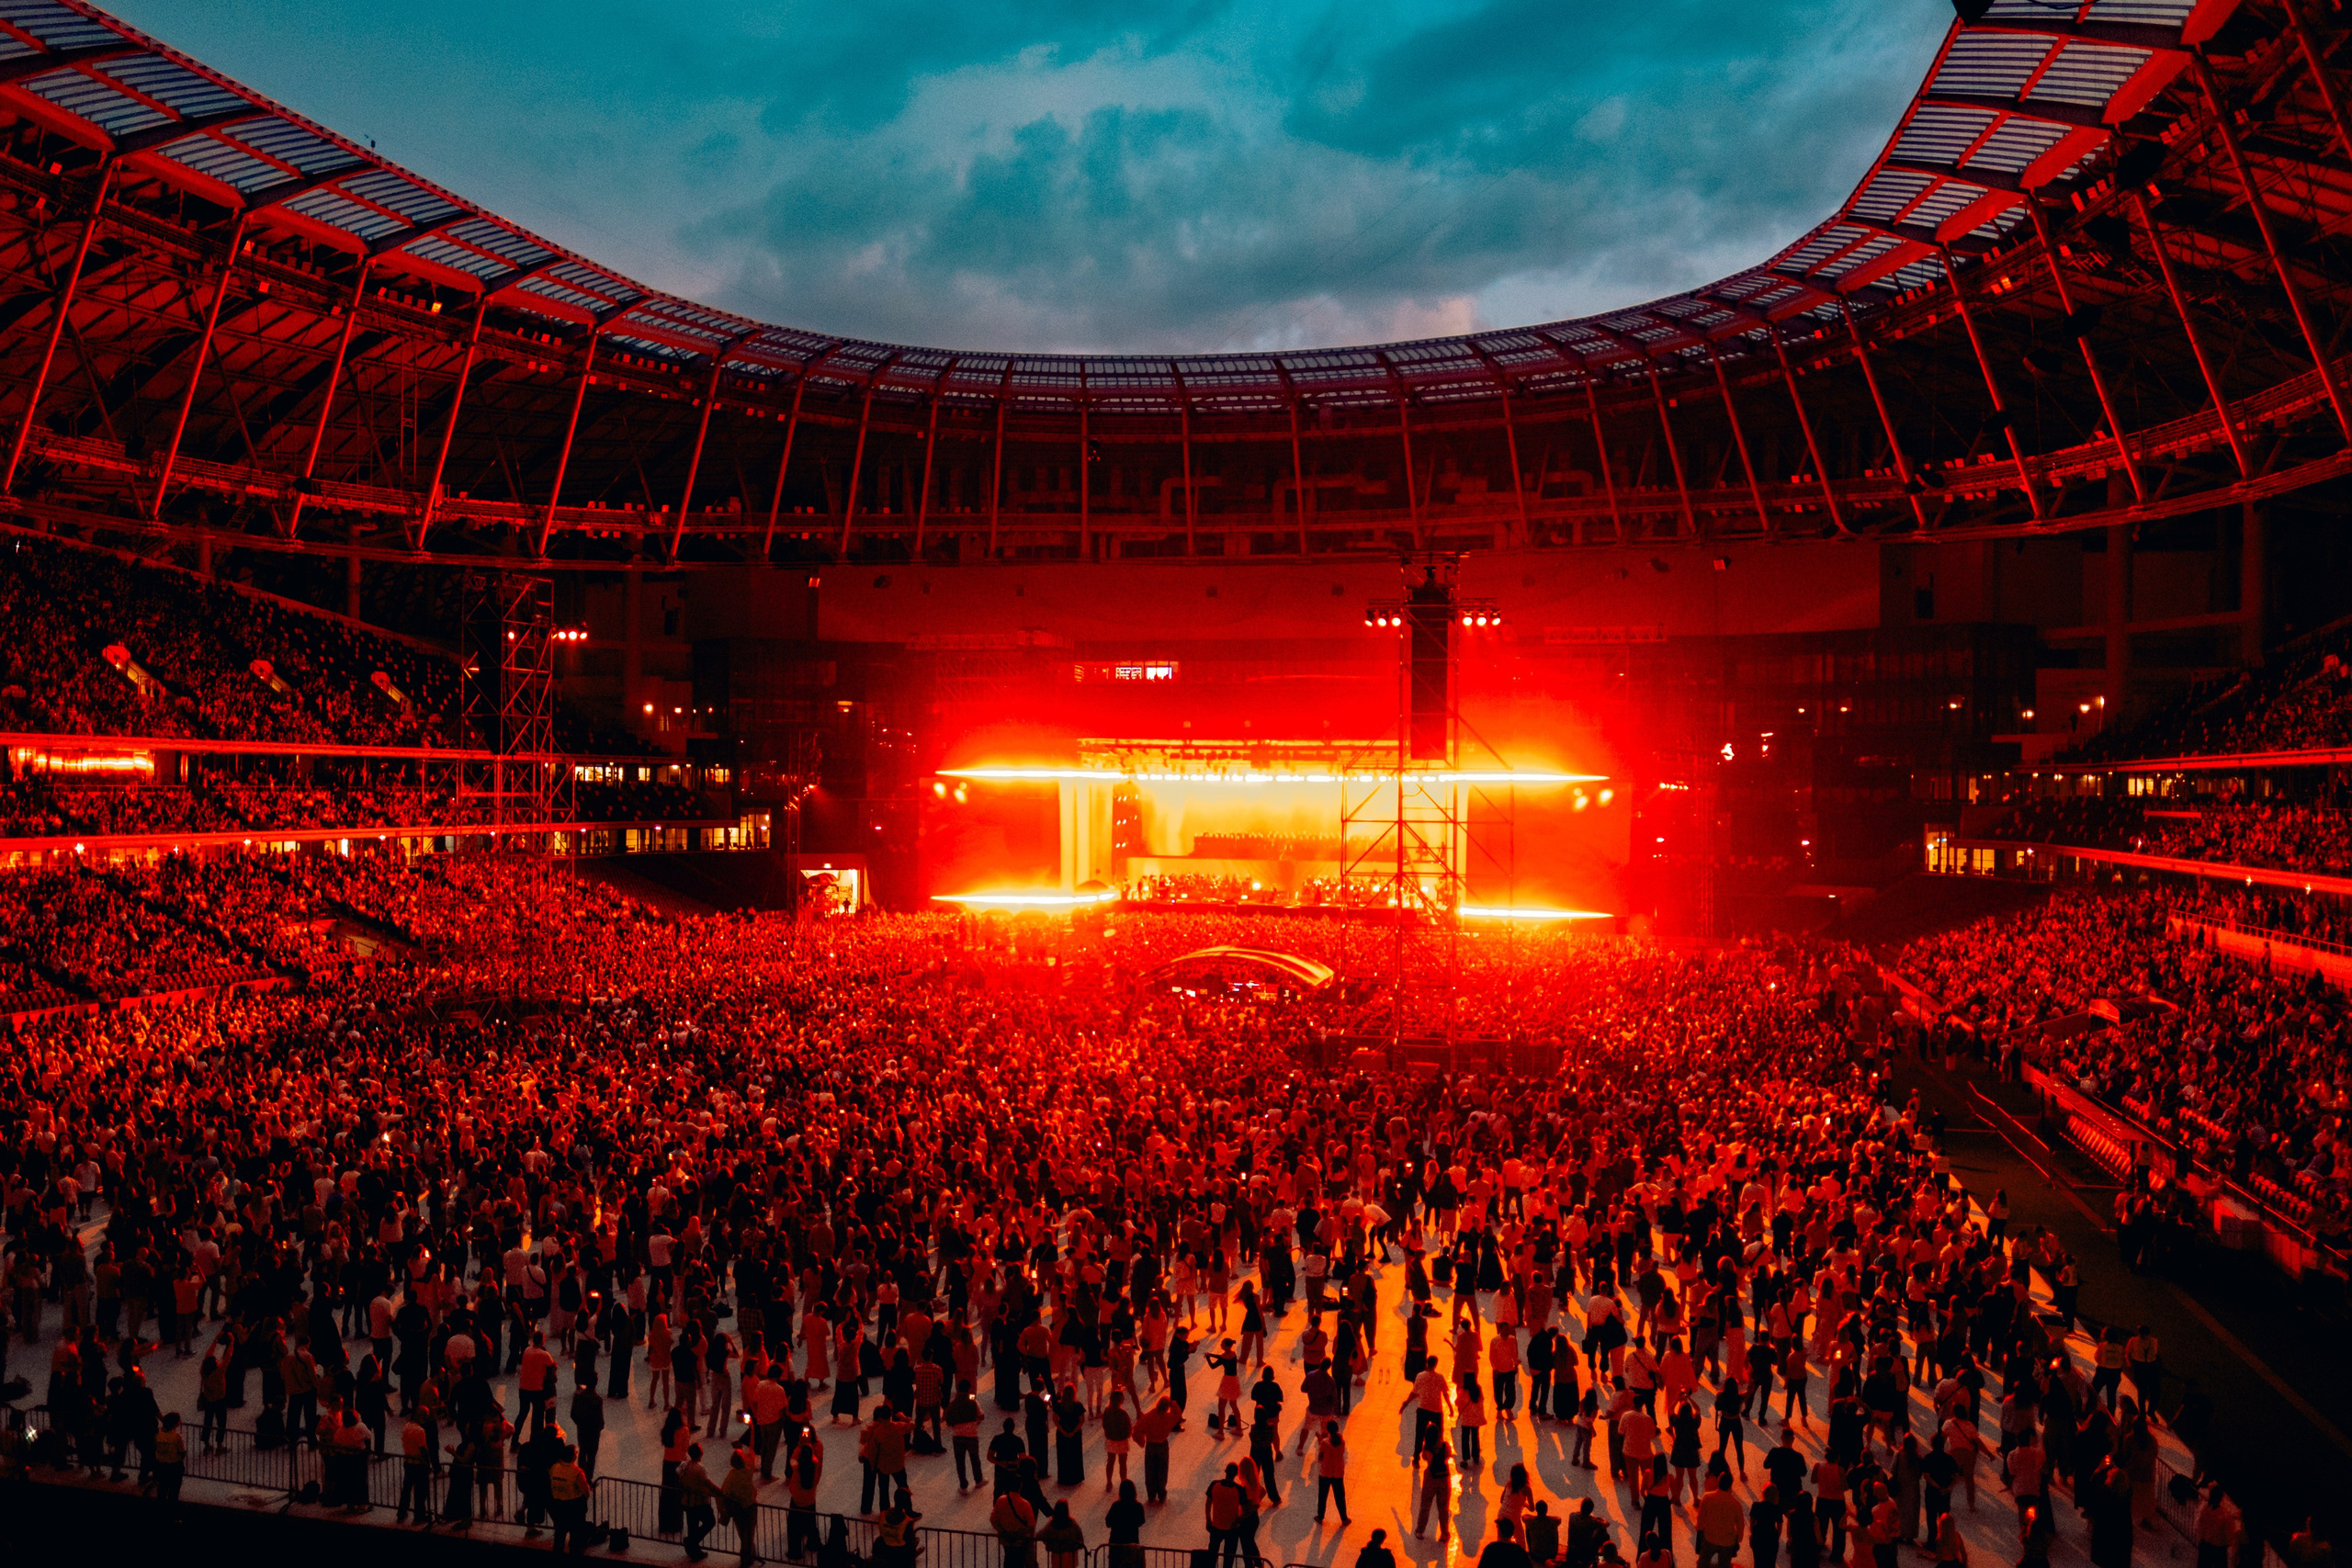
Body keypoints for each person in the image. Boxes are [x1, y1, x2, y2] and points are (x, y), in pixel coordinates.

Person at [1696, 1472, 1745, 1568]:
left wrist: (1700, 1529)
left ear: (1718, 1483)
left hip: (1710, 1537)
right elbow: (1740, 1526)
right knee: (1724, 1565)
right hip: (1727, 1541)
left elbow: (1700, 1519)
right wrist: (1738, 1539)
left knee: (1703, 1563)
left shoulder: (1707, 1497)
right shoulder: (1736, 1505)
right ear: (1730, 1485)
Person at [1314, 1419, 1351, 1525]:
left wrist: (1320, 1440)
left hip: (1326, 1472)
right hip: (1338, 1472)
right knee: (1340, 1496)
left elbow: (1320, 1457)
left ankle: (1320, 1517)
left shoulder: (1325, 1443)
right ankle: (1344, 1518)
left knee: (1322, 1495)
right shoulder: (1342, 1441)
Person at [1106, 1479, 1148, 1568]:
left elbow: (1108, 1522)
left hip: (1116, 1545)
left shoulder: (1116, 1506)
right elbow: (1141, 1521)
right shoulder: (1138, 1507)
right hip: (1132, 1545)